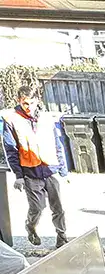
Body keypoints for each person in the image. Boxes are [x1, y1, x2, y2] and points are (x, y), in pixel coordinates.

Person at [2, 85, 69, 248]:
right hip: (30, 173)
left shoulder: (46, 119)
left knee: (58, 208)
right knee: (37, 208)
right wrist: (18, 176)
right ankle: (30, 227)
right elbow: (11, 150)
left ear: (37, 101)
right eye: (25, 103)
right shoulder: (12, 121)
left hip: (50, 169)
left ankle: (61, 236)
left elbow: (57, 144)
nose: (29, 107)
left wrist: (64, 171)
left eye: (32, 103)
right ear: (19, 101)